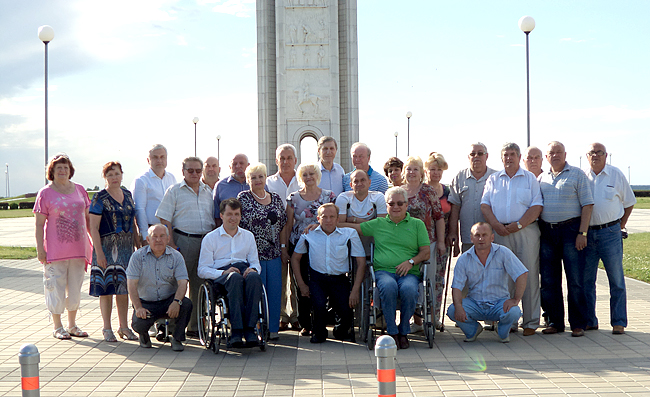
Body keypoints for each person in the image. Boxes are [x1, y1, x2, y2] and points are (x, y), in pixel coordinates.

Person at [351, 187, 430, 350]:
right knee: (388, 287)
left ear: (407, 205)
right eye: (391, 203)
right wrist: (324, 223)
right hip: (384, 271)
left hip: (409, 272)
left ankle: (403, 332)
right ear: (386, 206)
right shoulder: (378, 223)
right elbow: (355, 228)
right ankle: (392, 332)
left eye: (400, 203)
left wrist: (410, 262)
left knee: (408, 289)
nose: (396, 206)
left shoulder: (417, 224)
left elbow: (426, 252)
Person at [480, 143, 543, 336]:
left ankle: (531, 322)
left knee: (528, 275)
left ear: (519, 157)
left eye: (513, 154)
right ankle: (509, 319)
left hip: (525, 231)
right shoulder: (493, 179)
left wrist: (519, 224)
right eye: (506, 155)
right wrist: (496, 225)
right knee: (503, 276)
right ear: (501, 158)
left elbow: (536, 206)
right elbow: (485, 205)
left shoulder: (529, 178)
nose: (509, 158)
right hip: (500, 232)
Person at [538, 141, 594, 337]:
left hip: (571, 231)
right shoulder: (541, 178)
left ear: (565, 154)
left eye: (558, 152)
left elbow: (587, 205)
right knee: (549, 280)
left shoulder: (577, 174)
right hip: (547, 232)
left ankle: (578, 323)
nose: (555, 155)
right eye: (551, 153)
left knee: (575, 280)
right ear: (546, 157)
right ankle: (555, 322)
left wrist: (582, 233)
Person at [34, 154, 93, 340]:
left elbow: (89, 219)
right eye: (59, 167)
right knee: (55, 288)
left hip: (78, 249)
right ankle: (57, 326)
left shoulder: (80, 190)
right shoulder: (45, 193)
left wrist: (95, 244)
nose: (63, 171)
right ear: (51, 171)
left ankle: (72, 325)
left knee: (75, 288)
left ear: (70, 170)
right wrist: (40, 249)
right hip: (55, 251)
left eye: (66, 167)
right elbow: (38, 224)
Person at [156, 156, 215, 337]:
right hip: (182, 241)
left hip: (205, 242)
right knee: (176, 284)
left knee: (200, 285)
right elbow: (165, 219)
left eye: (198, 170)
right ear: (183, 172)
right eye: (191, 170)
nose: (195, 174)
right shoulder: (174, 190)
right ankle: (171, 327)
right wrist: (171, 243)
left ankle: (195, 327)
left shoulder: (208, 191)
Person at [291, 203, 366, 343]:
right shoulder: (309, 234)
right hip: (317, 278)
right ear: (318, 219)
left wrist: (355, 290)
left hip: (340, 279)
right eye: (324, 217)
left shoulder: (349, 234)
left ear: (338, 219)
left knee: (345, 310)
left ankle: (340, 330)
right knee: (318, 306)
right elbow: (295, 258)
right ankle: (319, 332)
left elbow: (361, 262)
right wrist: (301, 284)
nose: (328, 220)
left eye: (332, 217)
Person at [584, 142, 636, 335]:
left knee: (616, 280)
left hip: (611, 234)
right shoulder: (582, 177)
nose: (595, 155)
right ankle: (590, 321)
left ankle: (619, 322)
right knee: (587, 281)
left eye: (600, 152)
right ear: (587, 156)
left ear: (606, 156)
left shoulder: (616, 174)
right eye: (592, 152)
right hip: (587, 235)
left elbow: (629, 202)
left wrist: (620, 225)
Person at [446, 223, 528, 343]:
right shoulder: (464, 259)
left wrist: (515, 299)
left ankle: (502, 331)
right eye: (477, 235)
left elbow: (522, 273)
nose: (481, 239)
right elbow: (457, 287)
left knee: (514, 312)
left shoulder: (503, 252)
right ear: (471, 238)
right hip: (475, 303)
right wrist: (459, 307)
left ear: (492, 237)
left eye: (485, 235)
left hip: (499, 303)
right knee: (453, 310)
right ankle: (473, 330)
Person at [198, 198, 263, 347]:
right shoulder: (210, 238)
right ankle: (237, 331)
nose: (233, 218)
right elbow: (202, 270)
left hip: (242, 269)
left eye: (236, 214)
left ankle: (250, 329)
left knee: (254, 277)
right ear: (221, 215)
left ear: (241, 216)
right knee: (234, 278)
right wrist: (223, 273)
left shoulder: (248, 236)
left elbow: (255, 263)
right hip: (221, 275)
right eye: (229, 214)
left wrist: (252, 269)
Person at [88, 161, 140, 342]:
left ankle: (124, 327)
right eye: (110, 175)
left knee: (124, 289)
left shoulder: (127, 194)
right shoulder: (99, 198)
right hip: (106, 249)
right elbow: (93, 227)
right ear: (105, 177)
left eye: (117, 174)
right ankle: (107, 327)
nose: (114, 178)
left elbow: (132, 222)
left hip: (126, 249)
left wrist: (137, 243)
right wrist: (99, 253)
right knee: (106, 289)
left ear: (122, 175)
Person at [285, 163, 337, 336]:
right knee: (301, 285)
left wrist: (318, 224)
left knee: (319, 284)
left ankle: (321, 321)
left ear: (317, 176)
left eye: (312, 174)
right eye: (305, 175)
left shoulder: (329, 196)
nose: (309, 177)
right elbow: (288, 224)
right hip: (298, 246)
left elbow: (334, 219)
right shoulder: (293, 198)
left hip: (322, 246)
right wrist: (285, 247)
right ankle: (305, 323)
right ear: (301, 178)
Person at [238, 163, 288, 340]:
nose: (257, 180)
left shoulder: (275, 198)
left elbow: (282, 225)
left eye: (260, 176)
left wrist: (283, 248)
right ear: (248, 180)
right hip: (252, 255)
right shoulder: (243, 198)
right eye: (253, 177)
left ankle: (272, 328)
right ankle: (256, 328)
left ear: (266, 178)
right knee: (256, 292)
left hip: (273, 252)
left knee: (274, 292)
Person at [126, 224, 192, 351]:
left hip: (168, 300)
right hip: (147, 302)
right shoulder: (138, 256)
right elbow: (131, 284)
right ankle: (144, 335)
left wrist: (176, 302)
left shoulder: (176, 256)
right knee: (138, 324)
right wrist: (138, 307)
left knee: (186, 304)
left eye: (162, 236)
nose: (158, 240)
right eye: (154, 236)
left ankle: (177, 339)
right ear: (148, 239)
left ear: (168, 239)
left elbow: (183, 282)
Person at [266, 144, 301, 332]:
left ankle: (296, 316)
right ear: (276, 160)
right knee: (279, 279)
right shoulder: (269, 183)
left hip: (298, 236)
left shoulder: (302, 179)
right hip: (274, 237)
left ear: (295, 160)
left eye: (289, 158)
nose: (286, 161)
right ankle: (280, 315)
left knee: (296, 278)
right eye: (282, 158)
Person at [448, 143, 497, 255]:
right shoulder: (459, 177)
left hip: (492, 238)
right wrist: (453, 233)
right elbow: (455, 208)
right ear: (468, 157)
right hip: (468, 238)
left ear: (487, 156)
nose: (476, 156)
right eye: (472, 154)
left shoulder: (496, 177)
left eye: (480, 153)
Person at [424, 152, 455, 328]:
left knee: (438, 279)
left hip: (442, 242)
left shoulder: (448, 191)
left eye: (439, 169)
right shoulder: (420, 190)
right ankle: (420, 318)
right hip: (424, 240)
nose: (436, 173)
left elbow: (452, 216)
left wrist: (451, 236)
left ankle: (435, 316)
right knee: (422, 278)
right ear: (426, 170)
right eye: (432, 169)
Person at [131, 144, 176, 243]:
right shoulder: (141, 180)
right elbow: (139, 209)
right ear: (148, 160)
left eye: (162, 157)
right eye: (155, 157)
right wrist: (144, 235)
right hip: (152, 231)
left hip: (171, 231)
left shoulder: (171, 178)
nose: (159, 160)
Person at [335, 169, 387, 254]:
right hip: (349, 245)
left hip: (374, 245)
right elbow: (339, 225)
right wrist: (368, 224)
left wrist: (353, 219)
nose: (359, 184)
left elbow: (381, 226)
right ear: (351, 185)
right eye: (356, 181)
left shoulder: (378, 197)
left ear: (369, 183)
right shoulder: (343, 198)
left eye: (363, 180)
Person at [213, 153, 250, 227]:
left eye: (241, 163)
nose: (238, 166)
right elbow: (216, 215)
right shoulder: (221, 186)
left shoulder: (257, 183)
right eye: (234, 164)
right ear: (230, 167)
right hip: (229, 232)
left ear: (248, 166)